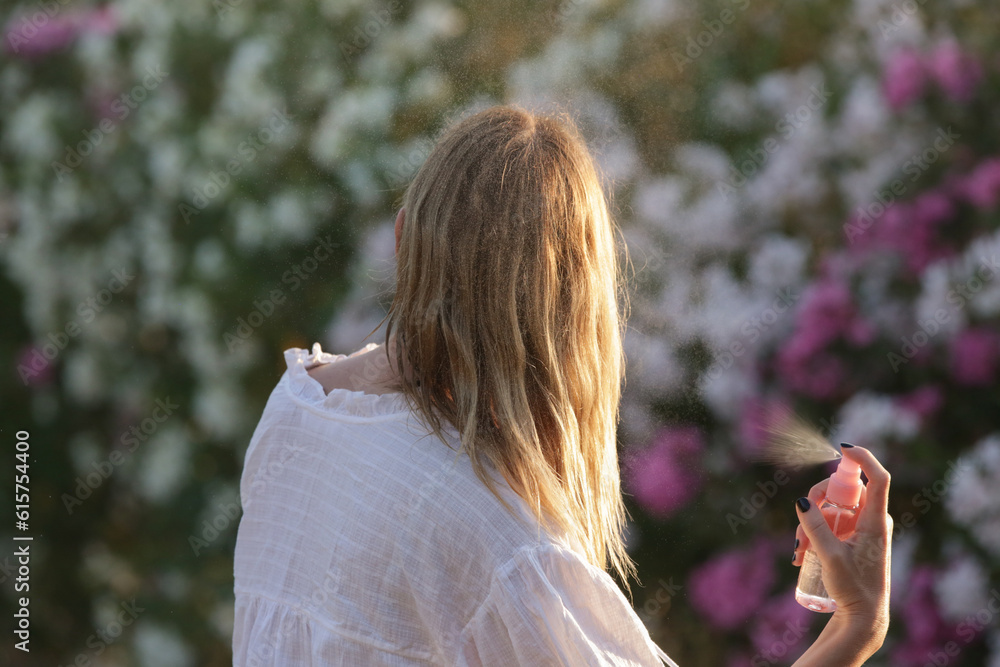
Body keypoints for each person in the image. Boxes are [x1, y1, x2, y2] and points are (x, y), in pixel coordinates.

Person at [231, 105, 892, 666]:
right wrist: (856, 627)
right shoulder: (501, 545)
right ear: (574, 311)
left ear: (404, 242)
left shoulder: (293, 410)